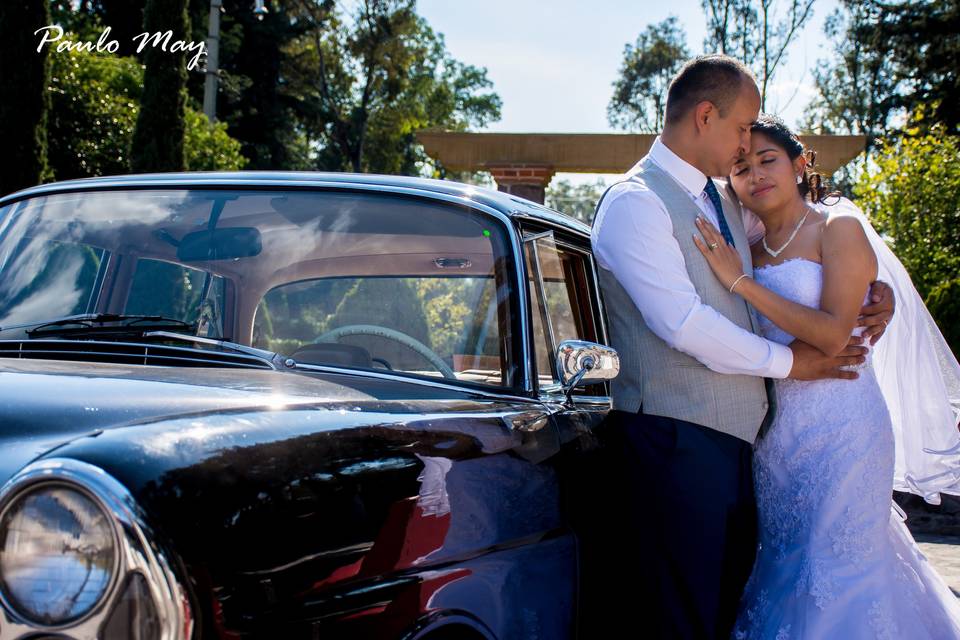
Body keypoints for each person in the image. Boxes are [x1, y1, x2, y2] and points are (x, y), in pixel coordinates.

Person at [588, 55, 895, 639]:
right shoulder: (636, 203)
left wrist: (877, 294)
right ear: (706, 116)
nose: (745, 146)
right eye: (740, 129)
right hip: (672, 441)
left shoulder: (724, 201)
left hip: (739, 446)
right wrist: (793, 362)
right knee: (680, 616)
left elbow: (800, 249)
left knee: (723, 608)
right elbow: (682, 322)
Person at [693, 114, 960, 639]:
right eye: (740, 167)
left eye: (768, 160)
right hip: (776, 434)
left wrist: (741, 283)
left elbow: (835, 335)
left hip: (846, 427)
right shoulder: (742, 243)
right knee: (788, 563)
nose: (755, 175)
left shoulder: (837, 229)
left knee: (837, 562)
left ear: (800, 164)